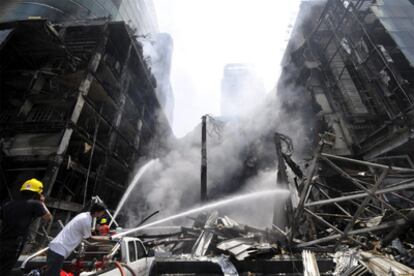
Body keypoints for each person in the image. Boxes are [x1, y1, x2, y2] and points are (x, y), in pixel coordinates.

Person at [0, 178, 52, 275]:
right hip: (15, 243)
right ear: (37, 193)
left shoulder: (8, 204)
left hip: (2, 240)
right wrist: (42, 201)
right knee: (5, 270)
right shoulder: (36, 204)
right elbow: (48, 217)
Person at [45, 202, 110, 276]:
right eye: (102, 212)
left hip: (56, 248)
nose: (103, 214)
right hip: (59, 251)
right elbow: (89, 238)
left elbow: (82, 231)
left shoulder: (84, 215)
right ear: (97, 212)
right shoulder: (86, 221)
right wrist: (106, 238)